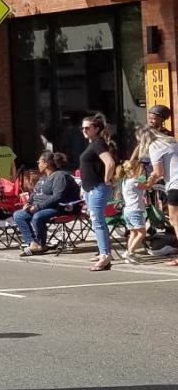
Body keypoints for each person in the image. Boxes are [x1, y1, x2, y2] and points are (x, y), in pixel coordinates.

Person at [12, 151, 79, 256]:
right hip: (39, 207)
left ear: (46, 163)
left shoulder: (60, 176)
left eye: (39, 162)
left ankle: (41, 244)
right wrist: (29, 203)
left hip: (58, 207)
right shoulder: (43, 178)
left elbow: (58, 197)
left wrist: (38, 207)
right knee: (18, 215)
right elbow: (35, 193)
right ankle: (33, 243)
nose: (38, 164)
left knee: (38, 217)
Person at [80, 112, 117, 272]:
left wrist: (107, 180)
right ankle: (103, 251)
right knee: (96, 221)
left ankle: (105, 255)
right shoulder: (92, 144)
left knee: (98, 221)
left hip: (97, 188)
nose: (84, 130)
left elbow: (110, 163)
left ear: (96, 128)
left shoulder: (97, 144)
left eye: (87, 128)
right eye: (82, 128)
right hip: (90, 189)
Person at [137, 124, 178, 264]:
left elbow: (159, 172)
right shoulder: (171, 141)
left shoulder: (154, 146)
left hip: (176, 185)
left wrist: (149, 182)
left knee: (175, 221)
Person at [116, 158, 148, 263]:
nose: (141, 172)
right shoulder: (134, 181)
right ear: (134, 170)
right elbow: (147, 187)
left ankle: (127, 251)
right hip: (135, 210)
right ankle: (131, 253)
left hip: (127, 211)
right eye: (140, 170)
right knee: (142, 233)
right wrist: (153, 179)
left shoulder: (125, 182)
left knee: (133, 232)